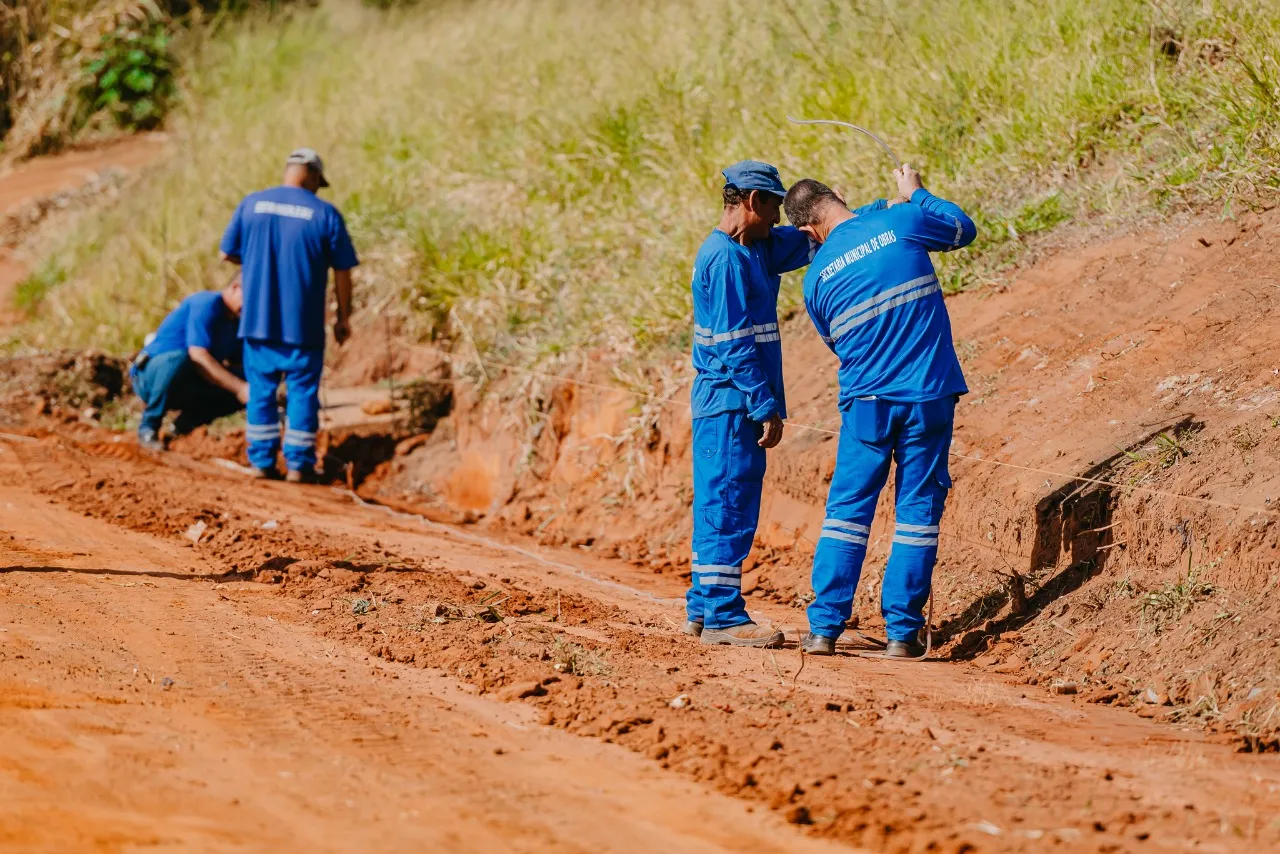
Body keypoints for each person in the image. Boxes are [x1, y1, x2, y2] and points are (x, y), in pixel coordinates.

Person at [782, 164, 977, 658]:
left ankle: (825, 628)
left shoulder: (814, 281)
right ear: (840, 195)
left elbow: (836, 342)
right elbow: (962, 228)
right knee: (916, 511)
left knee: (847, 512)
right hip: (927, 396)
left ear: (808, 231)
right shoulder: (902, 222)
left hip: (866, 403)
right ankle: (902, 634)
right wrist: (915, 194)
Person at [686, 160, 814, 648]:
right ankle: (722, 617)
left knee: (719, 502)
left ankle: (702, 607)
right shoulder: (724, 260)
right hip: (729, 402)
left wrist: (868, 211)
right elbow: (735, 343)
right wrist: (763, 405)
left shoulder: (752, 248)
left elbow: (805, 237)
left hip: (726, 402)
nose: (779, 217)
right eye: (775, 206)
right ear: (753, 201)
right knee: (728, 504)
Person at [220, 148, 359, 482]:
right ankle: (299, 465)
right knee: (302, 391)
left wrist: (258, 260)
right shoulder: (325, 215)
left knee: (261, 389)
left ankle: (262, 462)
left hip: (257, 321)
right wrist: (343, 317)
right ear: (311, 174)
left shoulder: (252, 204)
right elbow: (342, 271)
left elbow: (228, 252)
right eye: (317, 183)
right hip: (304, 325)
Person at [131, 275, 247, 451]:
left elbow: (239, 363)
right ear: (235, 288)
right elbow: (198, 355)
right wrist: (240, 388)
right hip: (152, 375)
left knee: (248, 380)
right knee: (180, 359)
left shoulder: (237, 322)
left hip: (190, 380)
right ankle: (149, 426)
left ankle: (184, 426)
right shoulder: (207, 303)